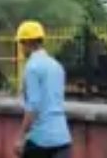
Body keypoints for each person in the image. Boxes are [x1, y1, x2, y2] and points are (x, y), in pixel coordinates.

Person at [14, 21, 71, 158]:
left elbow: (33, 106)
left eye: (21, 43)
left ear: (28, 43)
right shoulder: (57, 66)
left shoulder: (32, 67)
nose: (21, 48)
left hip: (40, 140)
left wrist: (21, 137)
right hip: (62, 138)